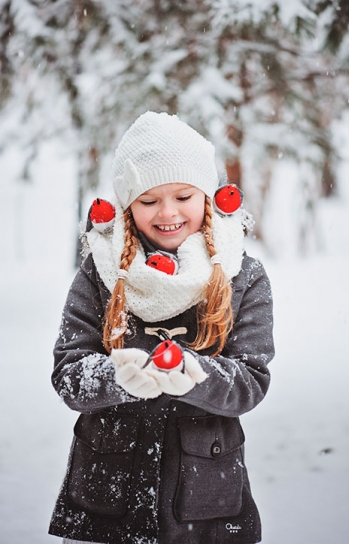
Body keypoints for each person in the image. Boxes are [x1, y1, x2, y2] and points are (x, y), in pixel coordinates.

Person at [48, 111, 275, 544]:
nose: (167, 213)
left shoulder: (243, 276)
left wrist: (191, 372)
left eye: (184, 196)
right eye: (149, 201)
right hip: (106, 498)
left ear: (208, 198)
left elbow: (250, 381)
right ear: (128, 206)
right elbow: (69, 373)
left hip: (205, 502)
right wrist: (120, 376)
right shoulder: (100, 271)